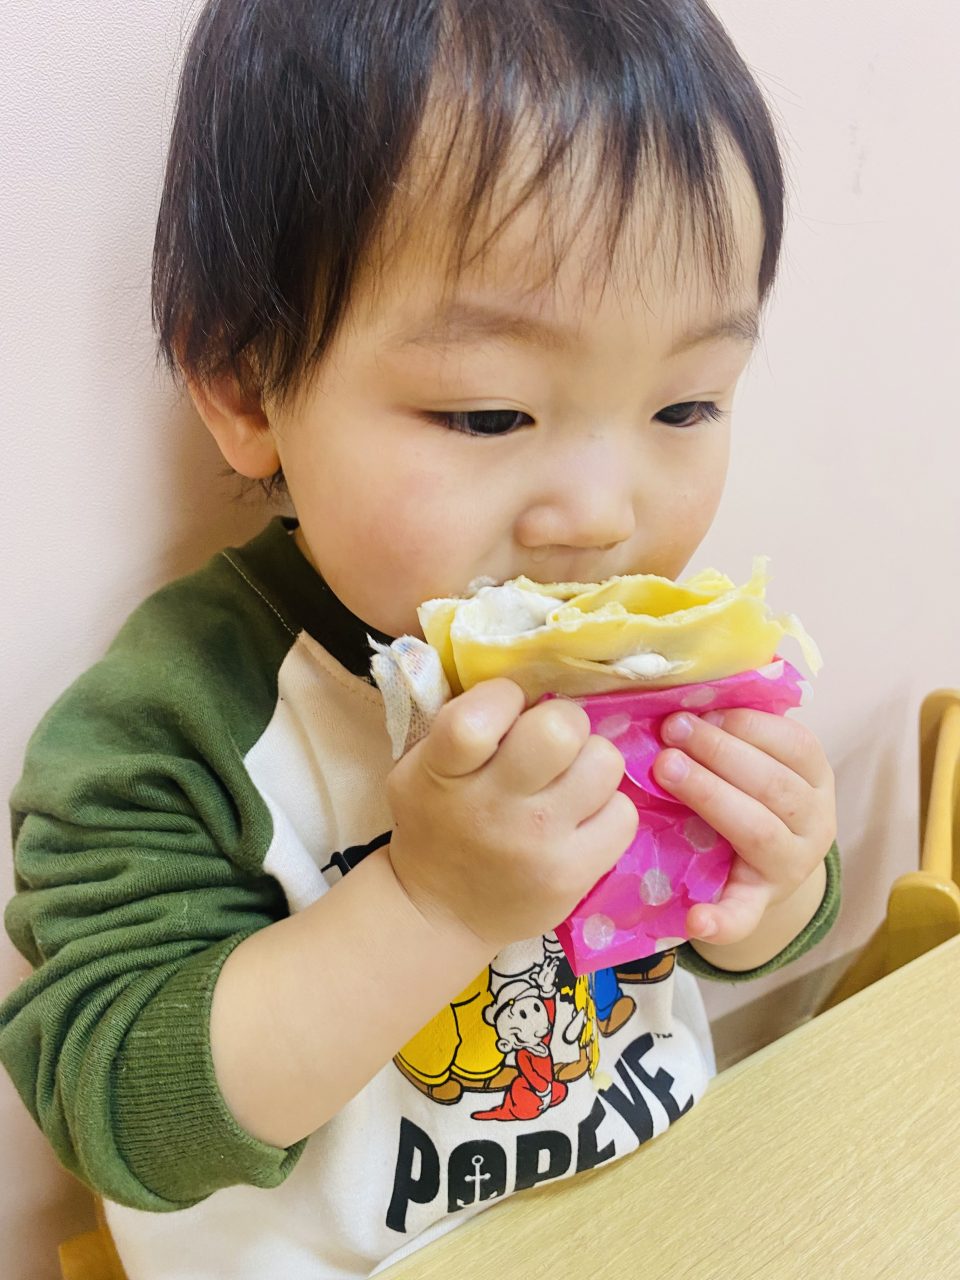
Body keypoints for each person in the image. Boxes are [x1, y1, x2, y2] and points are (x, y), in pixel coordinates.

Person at [0, 1, 841, 1276]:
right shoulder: (179, 720)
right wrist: (429, 902)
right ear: (244, 385)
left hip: (661, 1214)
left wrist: (774, 878)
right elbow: (122, 1110)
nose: (601, 516)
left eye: (685, 403)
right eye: (489, 413)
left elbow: (724, 934)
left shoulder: (652, 654)